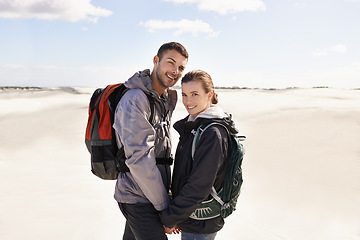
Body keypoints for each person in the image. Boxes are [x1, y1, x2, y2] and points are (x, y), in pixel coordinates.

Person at [113, 42, 189, 240]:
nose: (175, 71)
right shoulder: (135, 99)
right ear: (156, 61)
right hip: (137, 197)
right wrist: (165, 208)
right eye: (170, 63)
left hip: (152, 195)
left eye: (181, 67)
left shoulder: (162, 99)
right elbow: (139, 159)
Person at [160, 70, 239, 240]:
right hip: (192, 219)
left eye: (195, 94)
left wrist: (171, 217)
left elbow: (199, 186)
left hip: (200, 224)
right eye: (185, 94)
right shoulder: (195, 126)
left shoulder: (212, 133)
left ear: (209, 94)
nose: (188, 101)